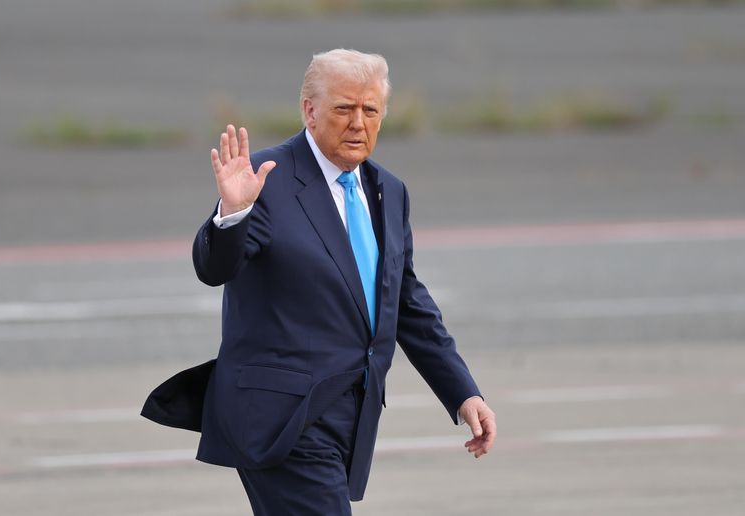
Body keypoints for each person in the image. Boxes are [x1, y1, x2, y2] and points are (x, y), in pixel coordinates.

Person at [142, 48, 496, 515]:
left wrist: (462, 391)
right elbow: (214, 269)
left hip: (351, 413)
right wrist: (233, 214)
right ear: (310, 110)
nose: (358, 123)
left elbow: (406, 301)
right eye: (343, 108)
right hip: (282, 415)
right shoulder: (265, 178)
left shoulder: (388, 191)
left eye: (370, 110)